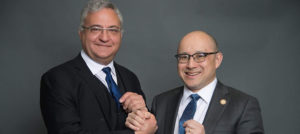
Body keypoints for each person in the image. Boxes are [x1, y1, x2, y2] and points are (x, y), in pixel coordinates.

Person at [40, 0, 156, 133]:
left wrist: (142, 112)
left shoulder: (130, 78)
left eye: (113, 30)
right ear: (81, 33)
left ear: (121, 35)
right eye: (95, 29)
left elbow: (150, 128)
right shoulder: (57, 79)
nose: (105, 38)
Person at [126, 31, 264, 134]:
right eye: (184, 57)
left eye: (200, 56)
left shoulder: (243, 105)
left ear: (217, 59)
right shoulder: (161, 102)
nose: (191, 65)